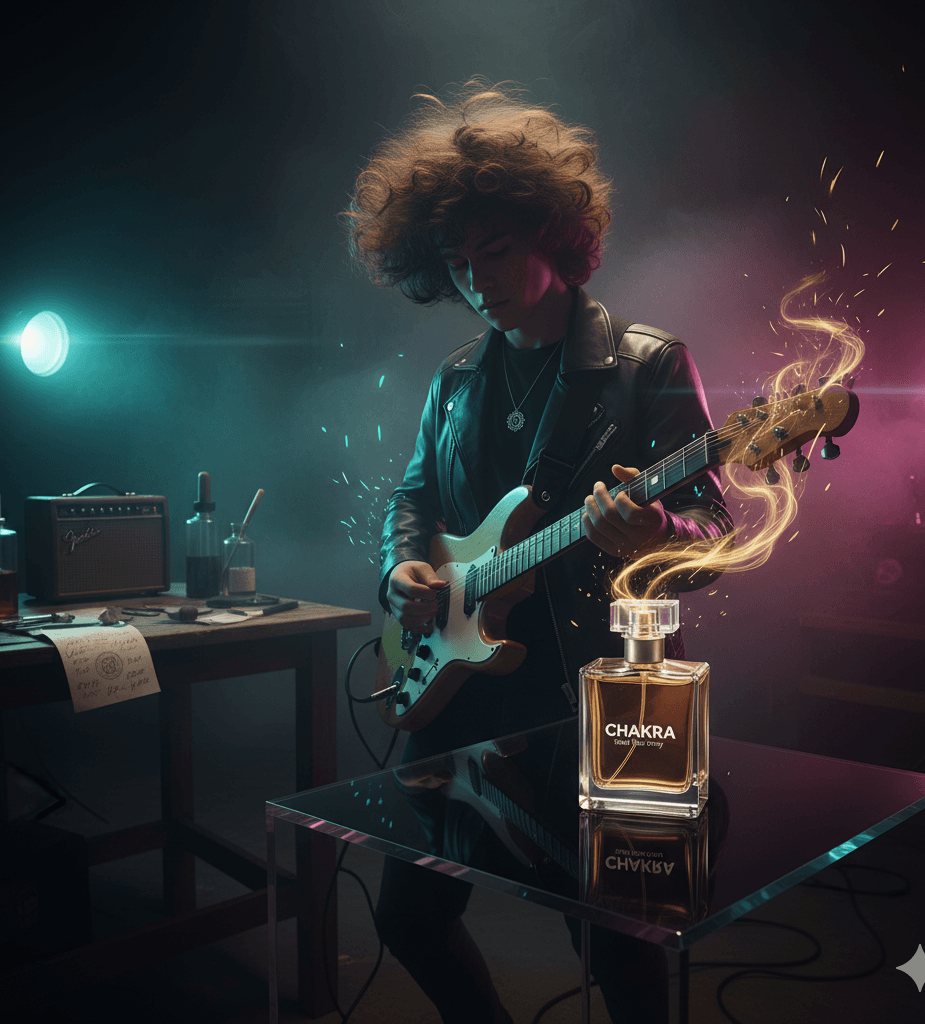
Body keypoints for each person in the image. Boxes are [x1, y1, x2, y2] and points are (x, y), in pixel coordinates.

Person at [344, 79, 731, 1024]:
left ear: (555, 236)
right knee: (408, 919)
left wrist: (656, 535)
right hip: (457, 693)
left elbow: (717, 534)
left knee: (623, 955)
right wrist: (403, 570)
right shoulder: (456, 378)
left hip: (591, 698)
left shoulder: (645, 364)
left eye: (496, 249)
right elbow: (412, 499)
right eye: (458, 261)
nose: (478, 278)